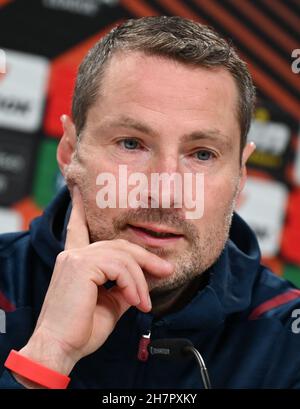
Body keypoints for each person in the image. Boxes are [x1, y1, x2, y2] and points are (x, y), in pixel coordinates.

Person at [1, 16, 300, 390]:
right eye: (131, 144)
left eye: (202, 155)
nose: (165, 193)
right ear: (69, 151)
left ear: (240, 175)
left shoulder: (290, 341)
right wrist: (47, 355)